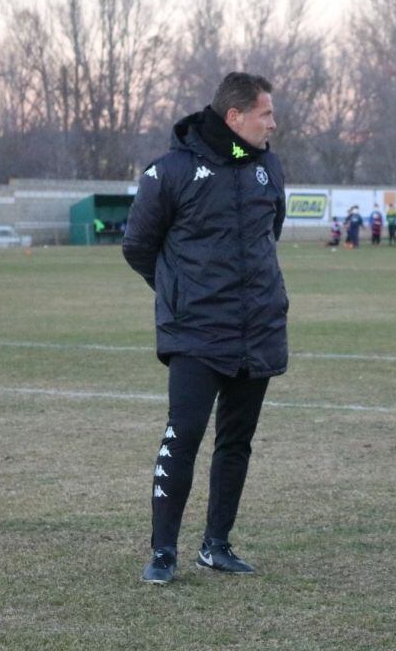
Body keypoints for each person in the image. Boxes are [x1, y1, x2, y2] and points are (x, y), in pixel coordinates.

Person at [122, 72, 288, 585]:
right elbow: (137, 246)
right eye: (265, 114)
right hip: (196, 331)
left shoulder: (266, 168)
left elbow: (269, 234)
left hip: (256, 328)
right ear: (234, 118)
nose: (273, 125)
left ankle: (216, 545)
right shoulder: (170, 171)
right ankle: (163, 552)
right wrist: (179, 294)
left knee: (236, 440)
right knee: (185, 433)